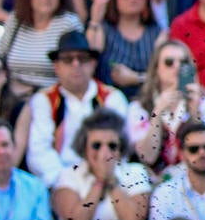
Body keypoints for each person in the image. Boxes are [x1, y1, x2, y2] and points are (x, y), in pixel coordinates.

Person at [25, 28, 128, 187]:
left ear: (93, 64)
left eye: (82, 58)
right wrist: (66, 181)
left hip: (106, 177)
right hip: (61, 180)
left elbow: (120, 145)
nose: (76, 64)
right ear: (56, 66)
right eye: (68, 59)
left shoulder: (112, 97)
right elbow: (39, 151)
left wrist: (100, 176)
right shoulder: (44, 99)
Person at [125, 39, 205, 175]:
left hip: (190, 178)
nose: (177, 67)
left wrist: (195, 113)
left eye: (183, 62)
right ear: (156, 69)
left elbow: (204, 154)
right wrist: (157, 114)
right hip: (151, 180)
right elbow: (147, 157)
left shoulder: (204, 105)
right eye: (169, 62)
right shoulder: (138, 108)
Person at [0, 0, 84, 98]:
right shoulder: (15, 20)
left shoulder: (68, 23)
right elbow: (0, 57)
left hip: (52, 99)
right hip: (13, 98)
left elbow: (74, 71)